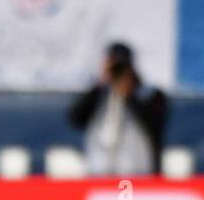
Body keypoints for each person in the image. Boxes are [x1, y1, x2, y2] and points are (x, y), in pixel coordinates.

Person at [67, 42, 168, 176]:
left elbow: (155, 123)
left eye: (122, 66)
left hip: (138, 171)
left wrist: (129, 93)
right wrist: (100, 84)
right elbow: (75, 118)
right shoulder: (99, 94)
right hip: (99, 169)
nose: (117, 71)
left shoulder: (148, 94)